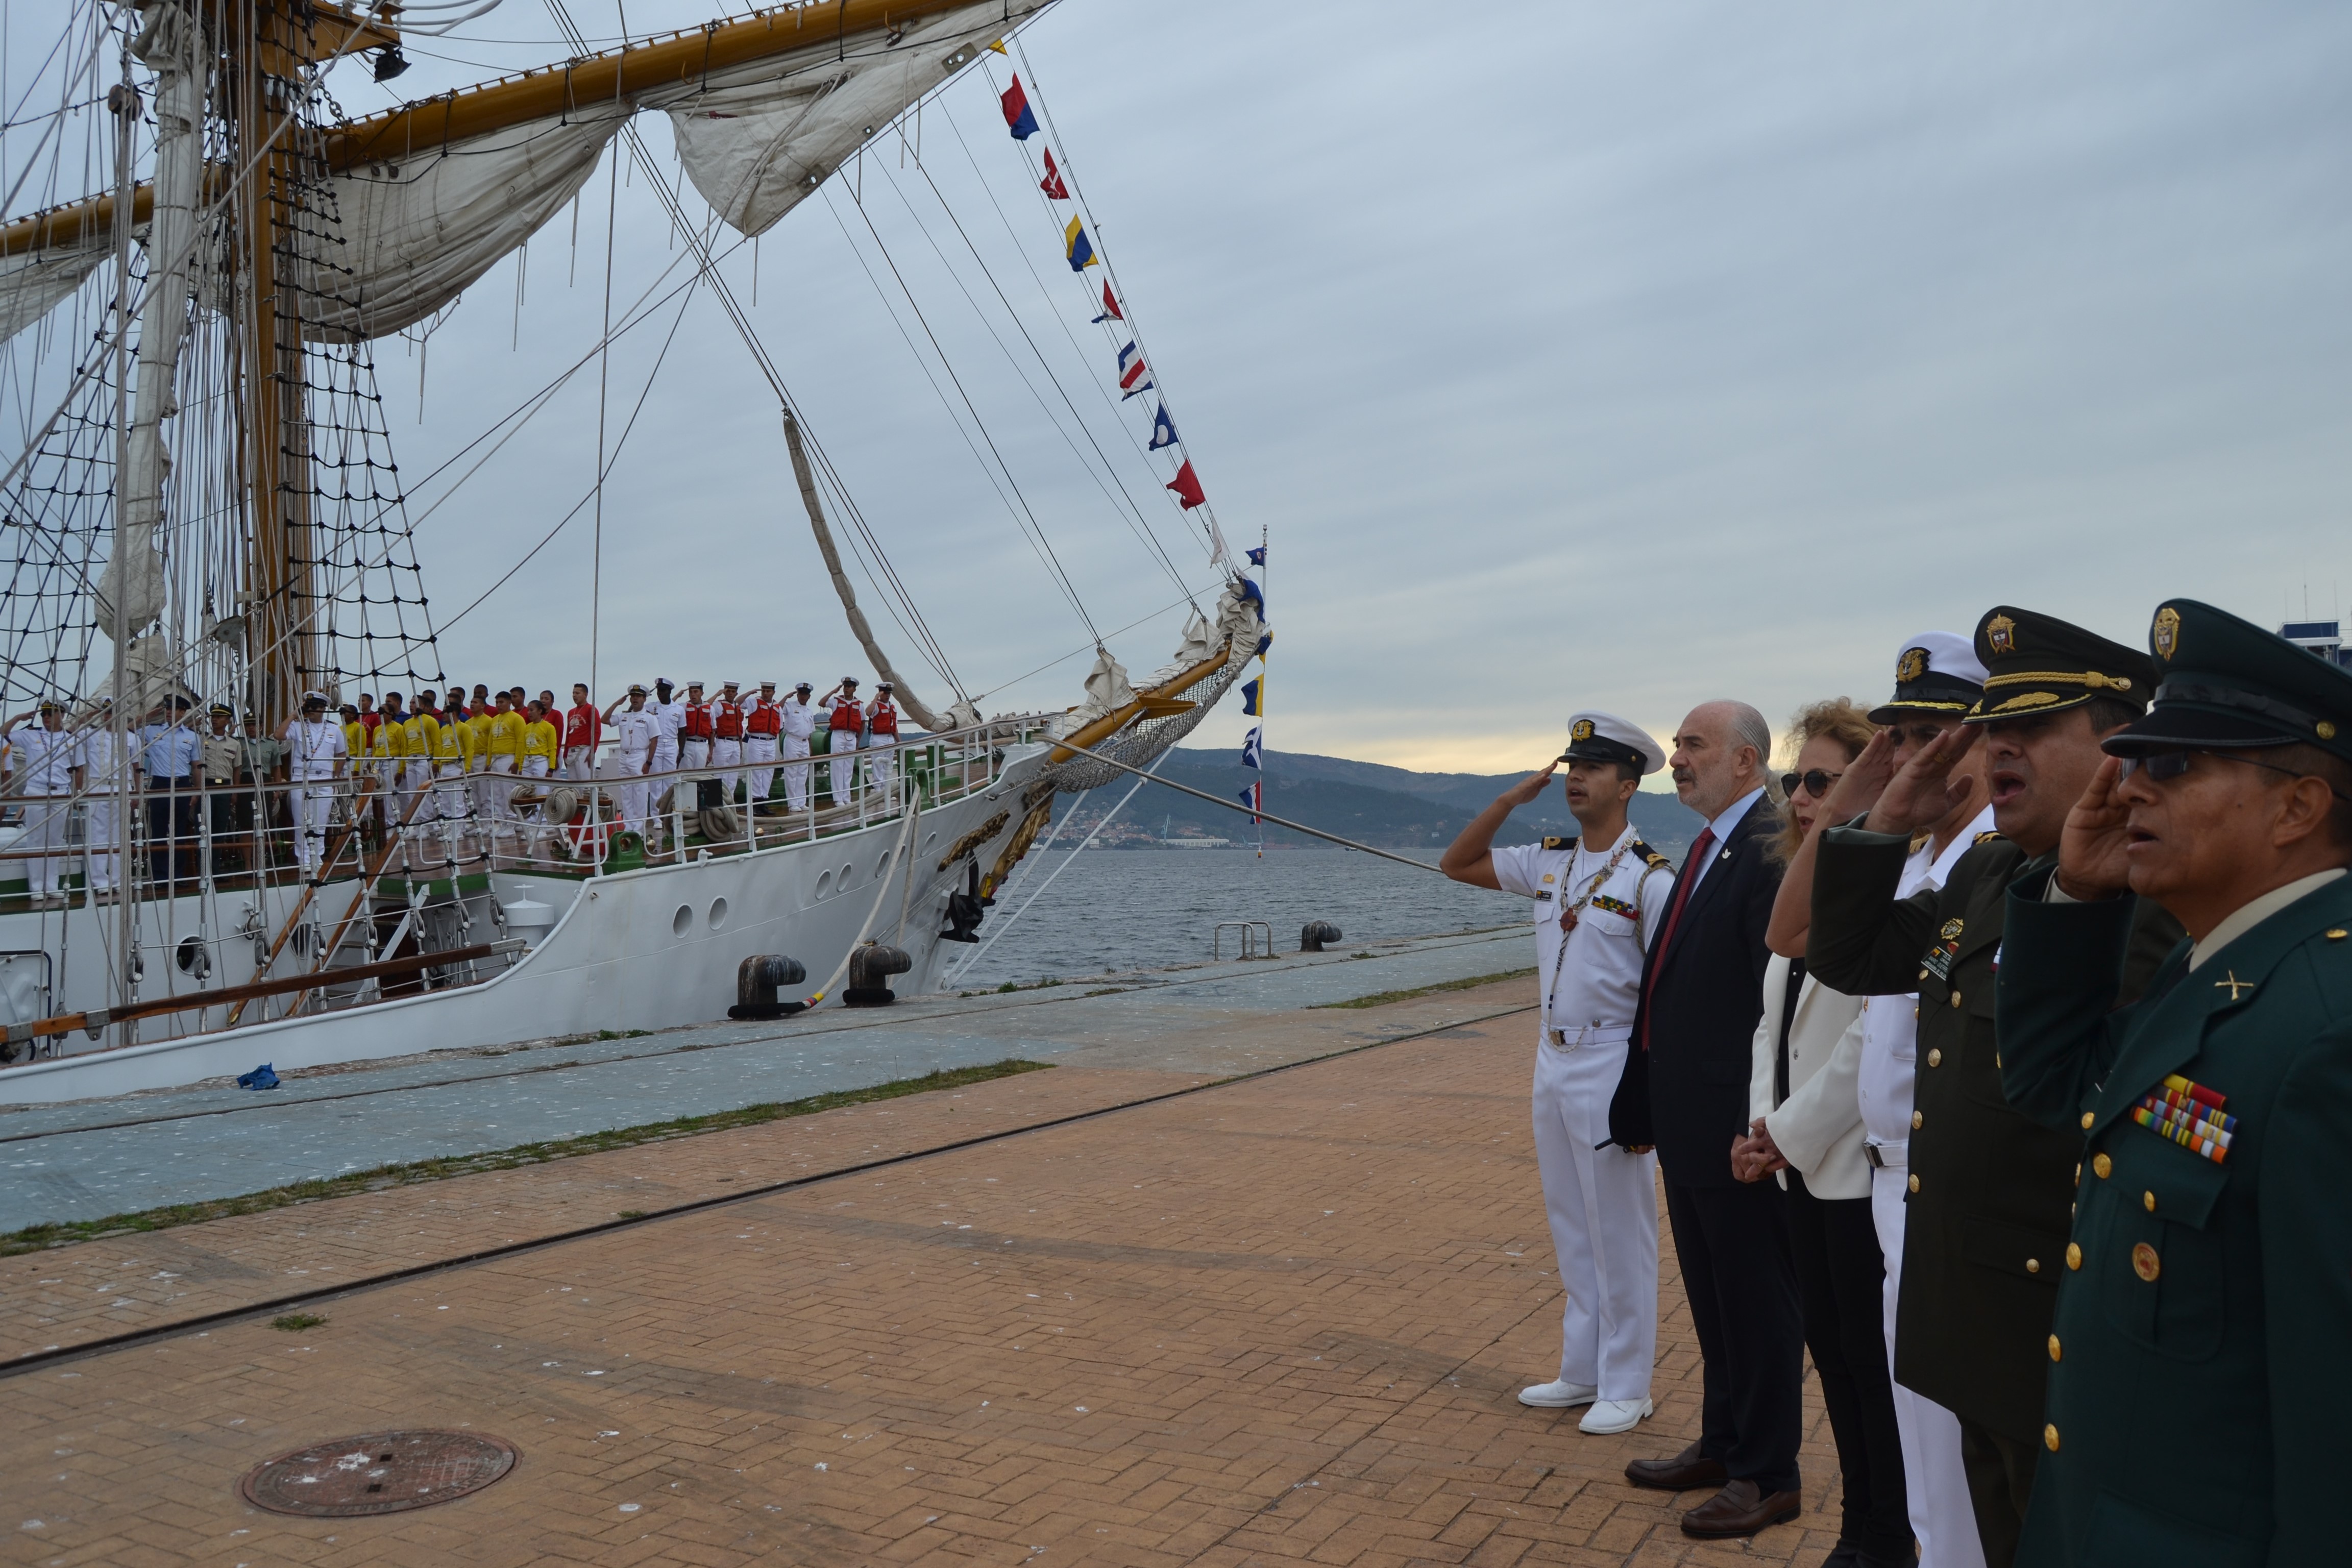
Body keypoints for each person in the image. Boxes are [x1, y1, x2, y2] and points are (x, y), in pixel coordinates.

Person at [1799, 608, 2177, 1567]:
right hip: (1966, 1308)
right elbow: (1845, 953)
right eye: (1991, 725)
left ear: (2118, 743)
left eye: (2034, 726)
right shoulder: (1991, 870)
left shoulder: (2150, 889)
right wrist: (1886, 811)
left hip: (2055, 1321)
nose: (1999, 746)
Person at [1994, 597, 2352, 1567]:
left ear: (2296, 807)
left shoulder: (2327, 1029)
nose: (2127, 789)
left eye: (2171, 764)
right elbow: (2050, 1082)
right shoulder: (2221, 967)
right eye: (2132, 758)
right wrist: (2073, 894)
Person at [1767, 635, 1996, 1568]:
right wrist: (1865, 789)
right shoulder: (1907, 857)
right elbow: (1791, 933)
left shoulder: (1992, 859)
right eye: (1898, 735)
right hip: (1888, 1185)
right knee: (1923, 1463)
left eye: (1938, 732)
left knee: (1961, 1464)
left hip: (1951, 1190)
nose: (1915, 754)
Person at [1440, 711, 1674, 1436]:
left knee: (1621, 1228)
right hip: (1552, 1055)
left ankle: (1629, 1383)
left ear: (1629, 785)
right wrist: (1510, 801)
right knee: (1572, 1221)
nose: (1576, 778)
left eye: (1594, 768)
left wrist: (1647, 1089)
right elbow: (1458, 862)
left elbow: (1668, 988)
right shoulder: (1551, 862)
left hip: (1610, 1059)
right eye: (1572, 766)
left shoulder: (1649, 878)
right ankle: (1583, 1371)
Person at [1608, 700, 1803, 1540]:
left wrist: (1755, 1118)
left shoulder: (1766, 849)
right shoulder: (1708, 844)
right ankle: (1723, 1444)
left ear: (1747, 762)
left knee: (1756, 1303)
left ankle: (1768, 1472)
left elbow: (1776, 997)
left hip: (1732, 1125)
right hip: (1689, 1121)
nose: (1676, 758)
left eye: (1693, 745)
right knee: (1715, 1300)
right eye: (1680, 745)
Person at [1738, 697, 1914, 1568]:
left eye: (1821, 779)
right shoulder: (1803, 896)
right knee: (1833, 1360)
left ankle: (1888, 1532)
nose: (1801, 796)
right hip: (1799, 1163)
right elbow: (1773, 1031)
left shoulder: (1894, 887)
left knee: (1870, 1366)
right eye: (1795, 781)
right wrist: (1756, 1128)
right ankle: (1861, 1527)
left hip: (1849, 1159)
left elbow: (1865, 1040)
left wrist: (1783, 1133)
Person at [3, 700, 82, 907]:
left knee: (55, 840)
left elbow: (78, 769)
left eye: (50, 713)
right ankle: (37, 888)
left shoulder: (72, 740)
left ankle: (52, 886)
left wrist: (77, 794)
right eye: (43, 714)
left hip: (61, 793)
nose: (46, 717)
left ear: (62, 715)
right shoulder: (31, 735)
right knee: (36, 840)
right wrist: (19, 718)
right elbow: (3, 734)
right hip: (37, 792)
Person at [281, 691, 348, 879]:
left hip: (325, 779)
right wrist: (293, 716)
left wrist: (336, 776)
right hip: (301, 778)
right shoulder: (298, 726)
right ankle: (303, 860)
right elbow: (279, 735)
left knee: (320, 822)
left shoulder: (334, 730)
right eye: (307, 708)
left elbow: (342, 754)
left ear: (322, 710)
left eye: (314, 709)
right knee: (301, 821)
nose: (310, 712)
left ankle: (317, 858)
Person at [141, 695, 205, 893]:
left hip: (182, 783)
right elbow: (127, 729)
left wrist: (196, 791)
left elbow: (196, 766)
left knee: (179, 831)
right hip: (160, 783)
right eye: (167, 709)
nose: (169, 712)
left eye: (173, 709)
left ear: (182, 713)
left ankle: (177, 875)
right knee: (158, 831)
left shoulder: (192, 737)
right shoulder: (151, 732)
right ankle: (160, 876)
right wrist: (148, 715)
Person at [78, 699, 121, 900]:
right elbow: (70, 732)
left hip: (122, 787)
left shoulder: (129, 738)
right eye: (105, 713)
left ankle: (118, 880)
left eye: (112, 712)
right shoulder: (89, 735)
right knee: (98, 837)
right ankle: (100, 882)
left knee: (120, 837)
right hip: (98, 787)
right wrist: (90, 716)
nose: (108, 716)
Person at [607, 683, 660, 845]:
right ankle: (628, 826)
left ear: (645, 699)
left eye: (638, 696)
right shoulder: (624, 716)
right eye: (633, 696)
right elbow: (604, 719)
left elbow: (654, 740)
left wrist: (649, 762)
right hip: (624, 756)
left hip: (639, 756)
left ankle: (639, 829)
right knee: (627, 793)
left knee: (640, 793)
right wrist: (618, 703)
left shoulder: (650, 718)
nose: (635, 699)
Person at [202, 703, 242, 874]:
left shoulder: (234, 744)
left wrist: (235, 791)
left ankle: (215, 869)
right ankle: (202, 868)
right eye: (213, 717)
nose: (215, 720)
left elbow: (237, 769)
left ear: (227, 721)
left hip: (224, 787)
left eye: (219, 717)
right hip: (206, 786)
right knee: (203, 828)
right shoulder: (202, 739)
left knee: (219, 829)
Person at [483, 690, 526, 838]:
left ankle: (511, 823)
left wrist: (517, 762)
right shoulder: (494, 720)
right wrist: (488, 762)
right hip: (495, 759)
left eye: (501, 702)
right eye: (497, 703)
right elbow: (490, 742)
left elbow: (521, 741)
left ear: (509, 703)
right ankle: (502, 822)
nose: (499, 705)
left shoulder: (517, 719)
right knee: (497, 794)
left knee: (508, 792)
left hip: (509, 758)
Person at [521, 699, 560, 852]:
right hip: (528, 761)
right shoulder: (527, 728)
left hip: (541, 760)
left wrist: (551, 768)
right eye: (528, 710)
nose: (529, 713)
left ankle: (543, 825)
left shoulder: (548, 728)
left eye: (532, 710)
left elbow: (553, 748)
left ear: (539, 711)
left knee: (542, 792)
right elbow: (523, 747)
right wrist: (520, 764)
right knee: (528, 793)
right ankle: (532, 823)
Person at [822, 675, 862, 806]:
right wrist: (834, 691)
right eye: (845, 687)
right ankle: (838, 798)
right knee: (837, 766)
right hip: (838, 735)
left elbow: (863, 723)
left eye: (849, 687)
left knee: (848, 768)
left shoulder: (859, 705)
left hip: (851, 736)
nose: (846, 689)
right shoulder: (835, 701)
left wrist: (858, 740)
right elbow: (821, 703)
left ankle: (846, 796)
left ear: (854, 689)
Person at [780, 680, 818, 812]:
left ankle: (801, 801)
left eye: (806, 694)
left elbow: (810, 731)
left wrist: (810, 746)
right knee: (791, 772)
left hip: (804, 742)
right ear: (797, 695)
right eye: (801, 693)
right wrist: (786, 697)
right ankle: (792, 803)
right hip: (792, 741)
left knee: (803, 773)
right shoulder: (789, 706)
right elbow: (777, 709)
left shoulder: (809, 711)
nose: (803, 696)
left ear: (809, 696)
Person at [745, 680, 783, 805]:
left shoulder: (778, 707)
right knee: (756, 771)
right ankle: (756, 801)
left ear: (774, 692)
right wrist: (749, 693)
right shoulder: (754, 702)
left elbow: (781, 725)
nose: (766, 694)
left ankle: (764, 799)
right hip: (757, 740)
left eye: (768, 691)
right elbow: (738, 704)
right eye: (764, 691)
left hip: (771, 742)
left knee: (768, 772)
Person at [866, 679, 902, 804]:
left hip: (889, 738)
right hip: (878, 738)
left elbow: (894, 726)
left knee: (889, 765)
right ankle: (878, 790)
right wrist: (876, 698)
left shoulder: (892, 707)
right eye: (885, 693)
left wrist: (899, 742)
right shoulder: (876, 705)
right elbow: (868, 712)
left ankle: (886, 790)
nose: (887, 695)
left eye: (889, 693)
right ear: (881, 693)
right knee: (878, 764)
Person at [713, 679, 746, 801]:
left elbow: (740, 729)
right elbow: (707, 706)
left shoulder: (738, 707)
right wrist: (717, 694)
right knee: (720, 775)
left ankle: (730, 801)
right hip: (723, 742)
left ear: (736, 693)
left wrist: (741, 747)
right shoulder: (719, 705)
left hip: (736, 743)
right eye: (728, 691)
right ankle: (718, 801)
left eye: (733, 692)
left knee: (733, 776)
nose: (731, 694)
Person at [562, 682, 600, 780]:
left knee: (585, 782)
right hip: (572, 751)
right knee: (573, 785)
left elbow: (597, 731)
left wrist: (593, 752)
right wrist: (565, 753)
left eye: (578, 693)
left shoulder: (591, 709)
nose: (574, 696)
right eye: (573, 693)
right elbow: (568, 733)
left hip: (584, 750)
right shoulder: (571, 712)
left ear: (585, 695)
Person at [679, 680, 714, 776]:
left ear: (702, 693)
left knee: (700, 775)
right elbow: (668, 706)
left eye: (696, 692)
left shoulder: (710, 709)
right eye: (691, 692)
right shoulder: (683, 707)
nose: (693, 695)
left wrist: (711, 752)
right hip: (688, 744)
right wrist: (678, 695)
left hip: (702, 745)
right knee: (686, 775)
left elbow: (712, 731)